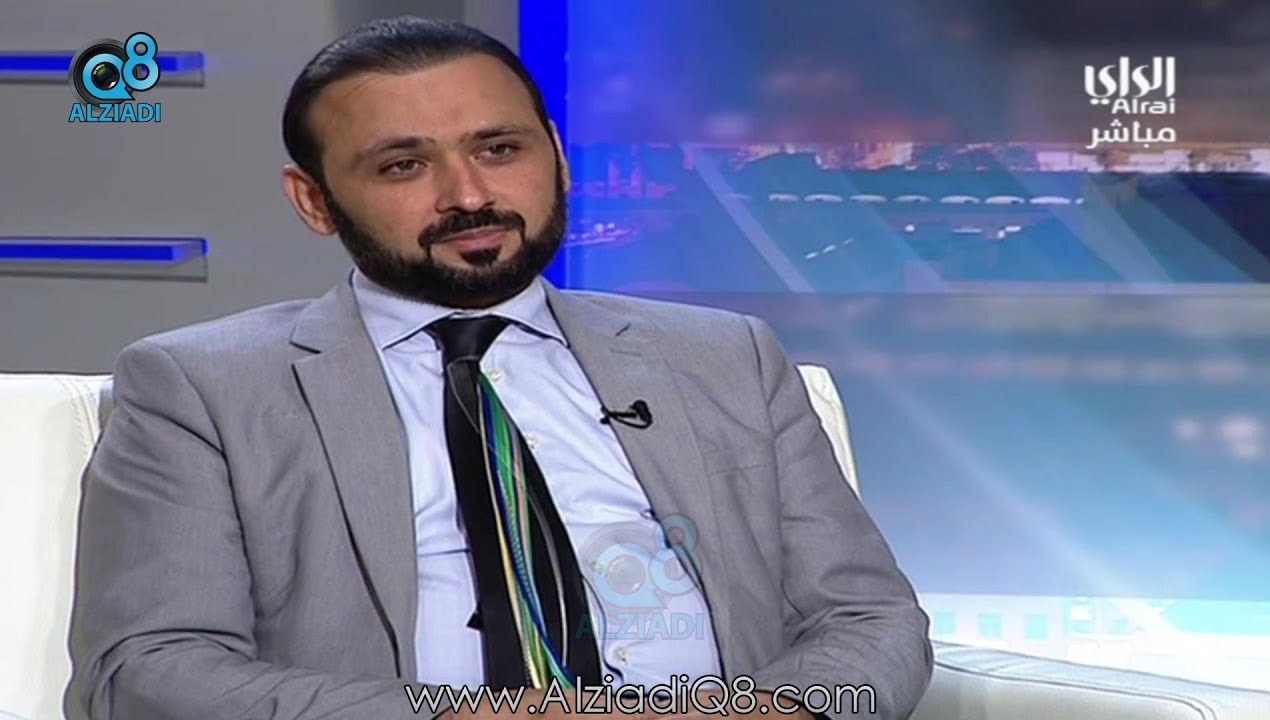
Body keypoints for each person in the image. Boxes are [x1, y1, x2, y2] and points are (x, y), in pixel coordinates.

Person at [65, 16, 932, 720]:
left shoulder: (726, 356)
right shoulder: (201, 389)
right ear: (314, 201)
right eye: (404, 165)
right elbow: (148, 671)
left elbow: (870, 619)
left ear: (555, 152)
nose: (470, 195)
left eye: (500, 150)